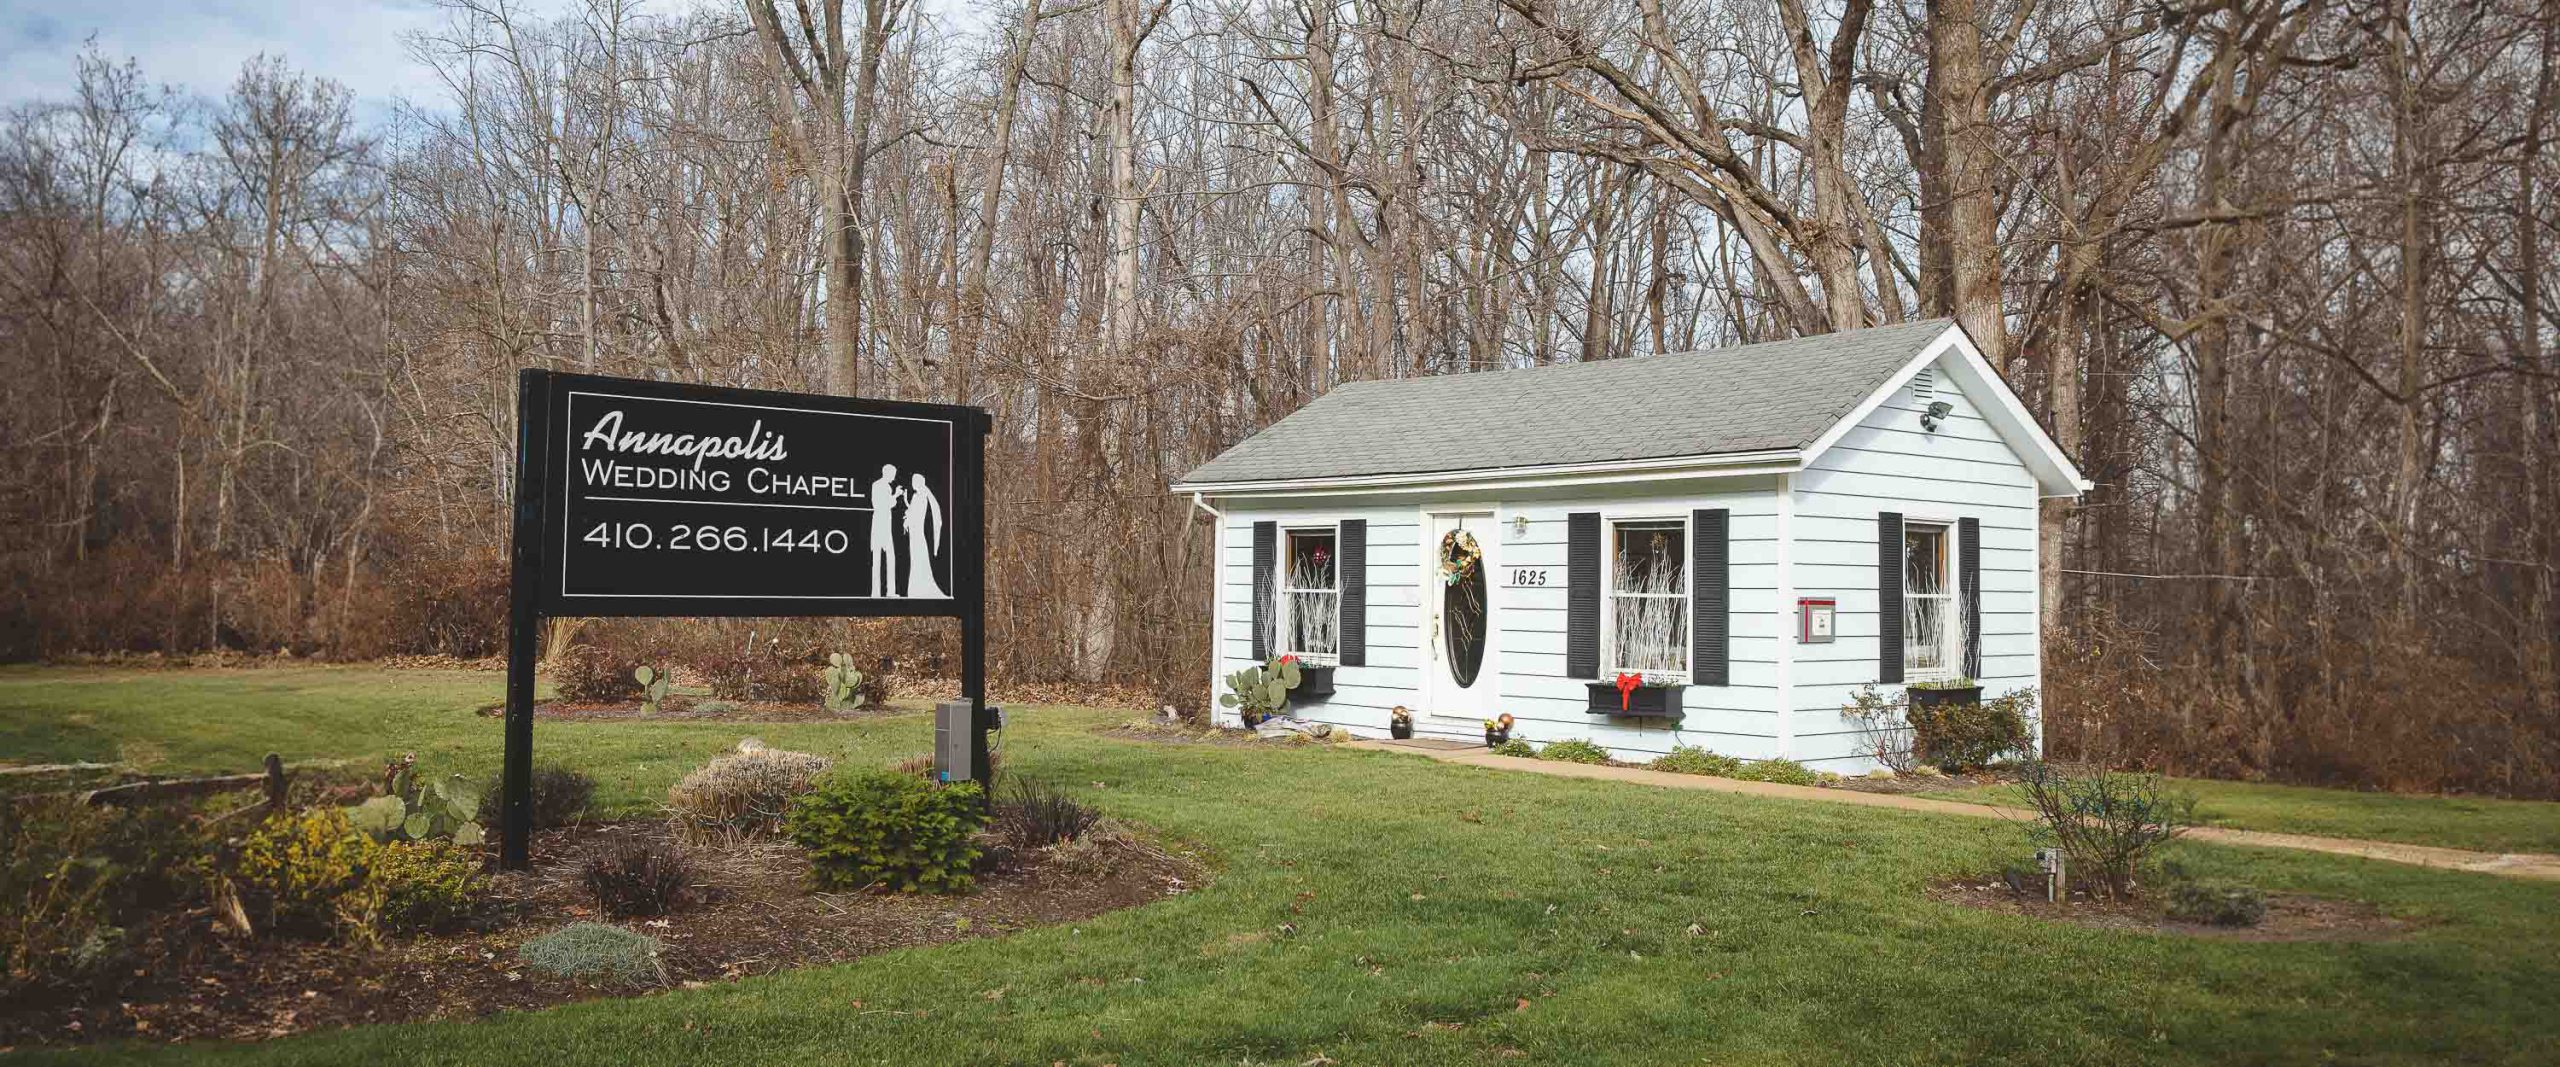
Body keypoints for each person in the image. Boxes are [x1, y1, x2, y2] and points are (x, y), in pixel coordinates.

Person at [903, 472, 945, 599]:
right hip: (916, 532)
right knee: (916, 558)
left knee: (917, 558)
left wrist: (907, 519)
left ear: (918, 482)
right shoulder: (921, 496)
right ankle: (917, 588)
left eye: (913, 481)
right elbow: (912, 511)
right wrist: (905, 499)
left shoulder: (919, 496)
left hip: (916, 532)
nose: (912, 483)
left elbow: (913, 514)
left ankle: (918, 589)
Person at [868, 464, 902, 597]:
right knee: (882, 558)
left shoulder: (879, 485)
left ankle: (882, 592)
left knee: (884, 558)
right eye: (893, 475)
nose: (894, 478)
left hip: (882, 525)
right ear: (887, 473)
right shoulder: (881, 486)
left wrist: (893, 496)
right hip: (881, 525)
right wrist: (896, 495)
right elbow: (883, 504)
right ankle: (881, 592)